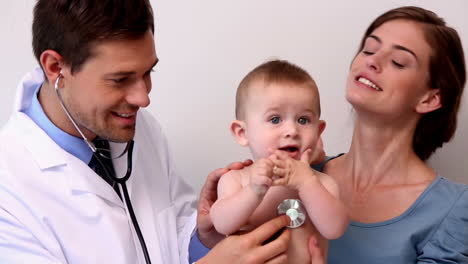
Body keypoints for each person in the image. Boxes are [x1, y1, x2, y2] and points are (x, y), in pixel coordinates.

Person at [0, 0, 295, 263]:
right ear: (56, 67)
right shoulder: (8, 194)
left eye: (147, 73)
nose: (143, 98)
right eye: (120, 79)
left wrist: (202, 237)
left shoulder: (139, 128)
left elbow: (167, 239)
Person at [193, 5, 468, 264]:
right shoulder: (296, 170)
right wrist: (208, 238)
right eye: (369, 49)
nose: (372, 62)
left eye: (398, 61)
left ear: (430, 98)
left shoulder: (454, 209)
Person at [209, 60, 348, 263]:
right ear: (242, 133)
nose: (292, 131)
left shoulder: (322, 183)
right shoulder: (236, 180)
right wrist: (254, 191)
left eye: (303, 120)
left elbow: (335, 229)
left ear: (318, 132)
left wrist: (306, 183)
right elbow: (221, 225)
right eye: (275, 119)